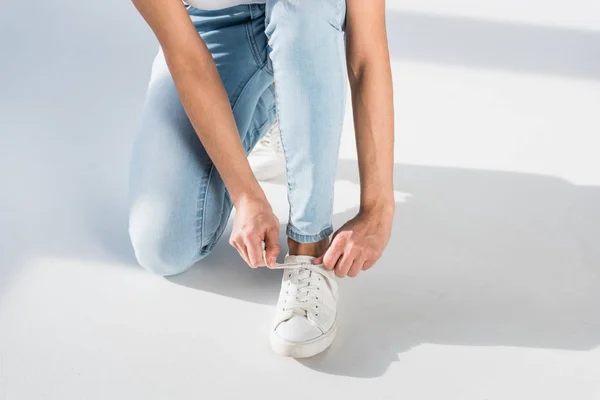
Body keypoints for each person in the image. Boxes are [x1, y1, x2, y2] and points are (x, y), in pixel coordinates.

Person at [128, 0, 395, 358]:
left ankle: (308, 250)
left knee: (303, 11)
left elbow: (366, 54)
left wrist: (377, 210)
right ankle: (274, 104)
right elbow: (188, 59)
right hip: (210, 29)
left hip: (305, 17)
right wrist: (245, 195)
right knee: (163, 246)